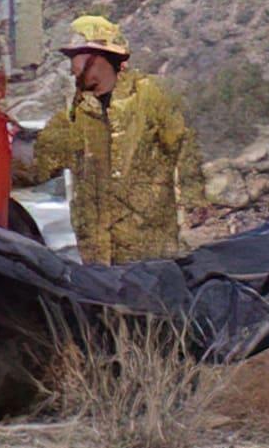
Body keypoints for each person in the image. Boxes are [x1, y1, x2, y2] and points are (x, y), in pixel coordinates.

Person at [12, 13, 205, 262]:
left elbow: (183, 146)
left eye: (76, 59)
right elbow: (38, 166)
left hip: (148, 243)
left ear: (100, 59)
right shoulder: (72, 117)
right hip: (97, 253)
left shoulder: (151, 97)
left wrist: (195, 200)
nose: (71, 69)